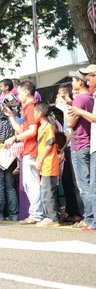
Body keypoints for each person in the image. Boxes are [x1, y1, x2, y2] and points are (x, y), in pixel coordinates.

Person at [3, 80, 43, 224]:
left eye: (19, 93)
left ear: (26, 92)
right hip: (30, 150)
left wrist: (14, 138)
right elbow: (22, 130)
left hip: (32, 150)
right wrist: (11, 116)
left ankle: (36, 214)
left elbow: (32, 131)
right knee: (30, 183)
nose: (17, 96)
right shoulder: (29, 108)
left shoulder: (31, 107)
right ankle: (36, 213)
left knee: (31, 183)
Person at [67, 64, 96, 231]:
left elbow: (70, 122)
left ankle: (89, 218)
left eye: (73, 80)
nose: (73, 83)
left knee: (85, 185)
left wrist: (67, 108)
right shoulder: (90, 98)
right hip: (89, 144)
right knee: (89, 184)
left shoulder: (80, 99)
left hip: (80, 144)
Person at [34, 101, 61, 227]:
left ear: (39, 113)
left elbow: (50, 144)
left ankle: (52, 217)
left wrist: (40, 159)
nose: (33, 114)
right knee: (45, 190)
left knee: (48, 191)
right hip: (45, 164)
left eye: (34, 111)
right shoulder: (41, 127)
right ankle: (49, 216)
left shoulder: (48, 127)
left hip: (49, 163)